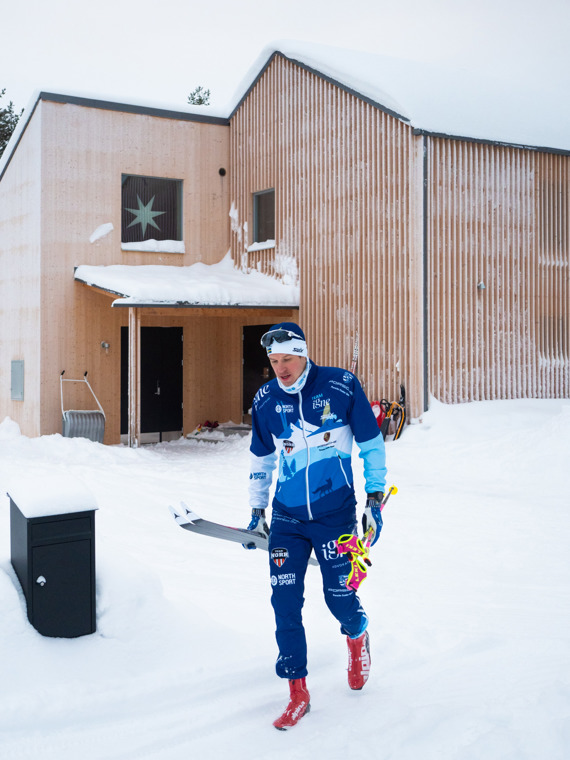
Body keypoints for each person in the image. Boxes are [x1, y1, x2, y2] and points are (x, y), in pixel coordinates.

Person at [246, 321, 387, 730]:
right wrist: (257, 511)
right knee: (284, 604)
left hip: (335, 515)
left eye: (287, 359)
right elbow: (261, 458)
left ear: (304, 353)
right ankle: (297, 692)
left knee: (338, 597)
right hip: (288, 518)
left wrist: (374, 499)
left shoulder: (340, 386)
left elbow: (371, 443)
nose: (281, 368)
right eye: (274, 361)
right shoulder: (267, 399)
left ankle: (357, 634)